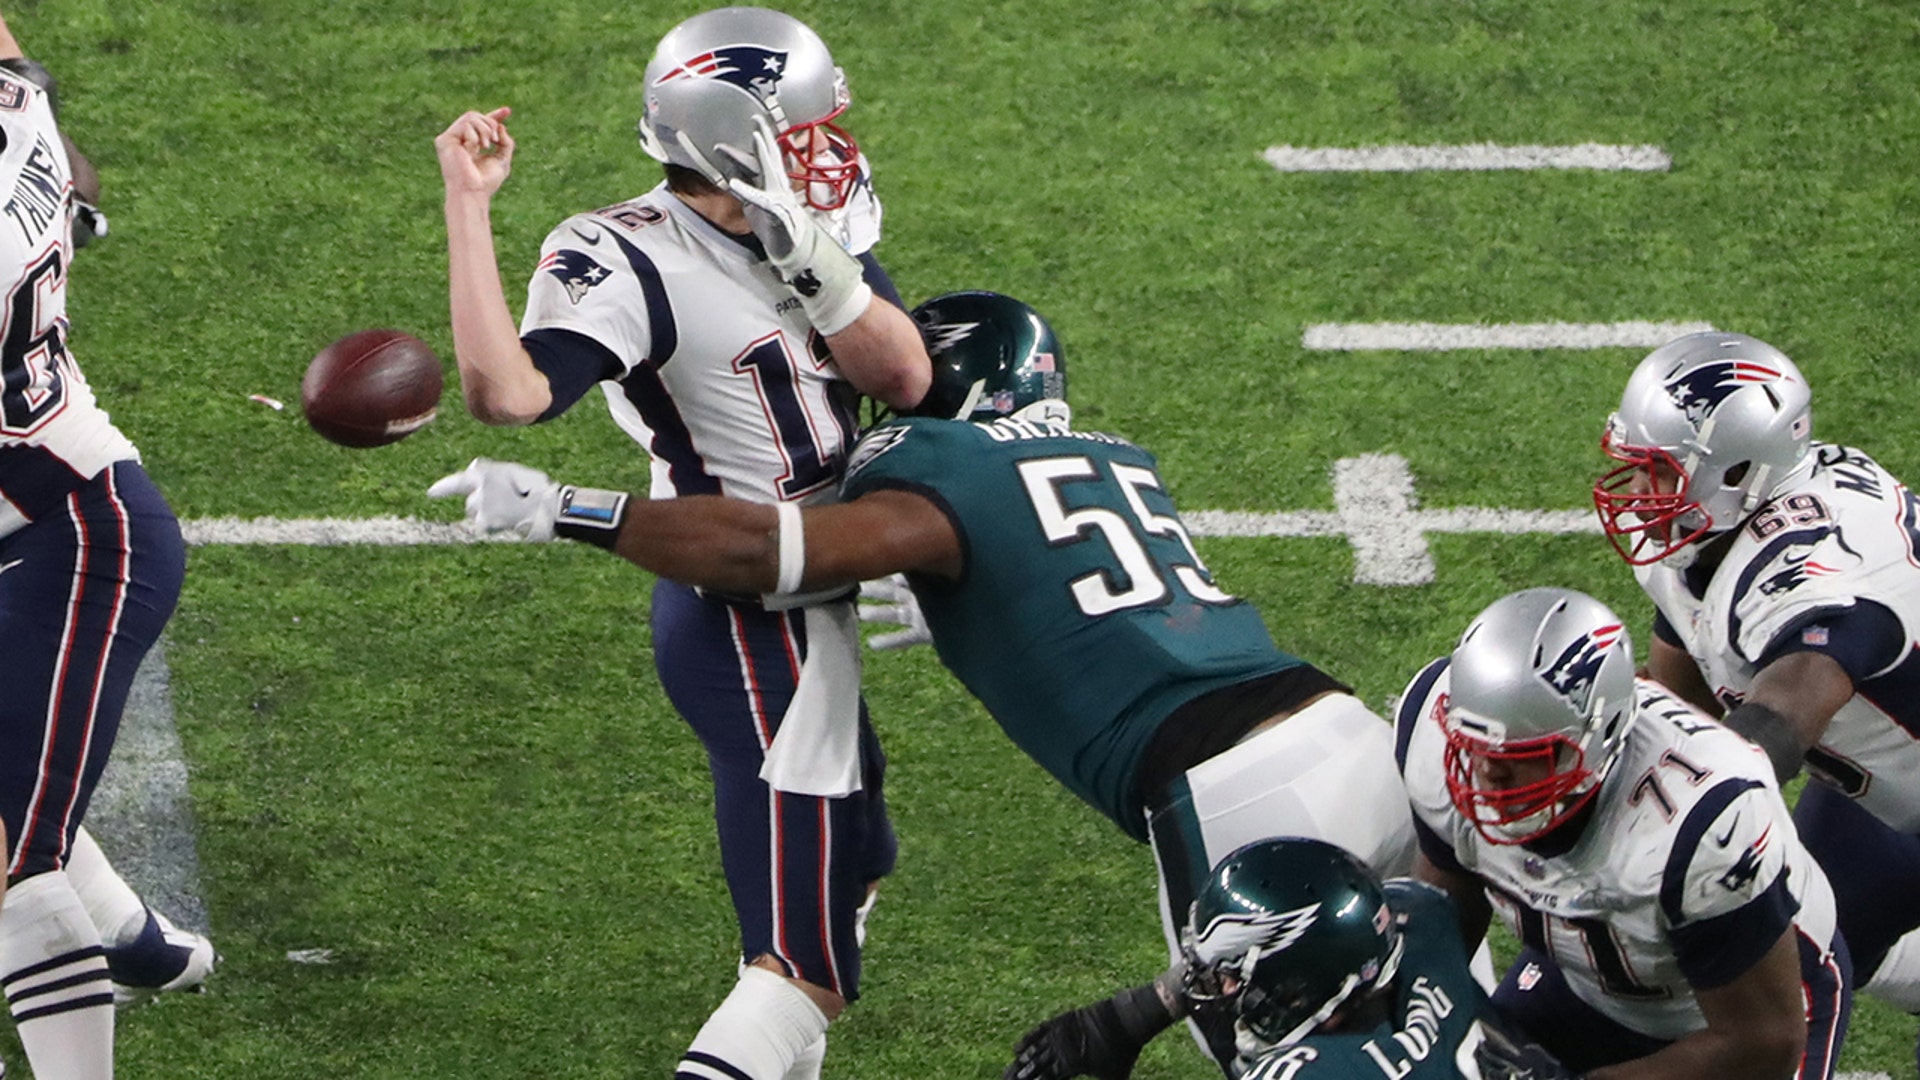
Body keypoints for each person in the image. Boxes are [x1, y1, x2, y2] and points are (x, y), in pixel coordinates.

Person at [429, 289, 1419, 1071]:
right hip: (1348, 731)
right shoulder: (1115, 454)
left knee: (1293, 1056)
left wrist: (570, 509)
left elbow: (769, 552)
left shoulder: (948, 467)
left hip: (1231, 789)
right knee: (1438, 1025)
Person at [434, 8, 931, 1078]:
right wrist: (467, 210)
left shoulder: (807, 224)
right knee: (804, 967)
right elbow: (508, 395)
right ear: (729, 134)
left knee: (854, 880)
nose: (829, 148)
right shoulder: (623, 253)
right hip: (747, 613)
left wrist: (806, 247)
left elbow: (905, 378)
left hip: (816, 594)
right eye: (804, 130)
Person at [0, 14, 216, 1080]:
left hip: (72, 540)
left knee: (12, 865)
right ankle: (139, 945)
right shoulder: (18, 102)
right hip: (44, 496)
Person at [1593, 330, 1920, 1031]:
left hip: (1894, 781)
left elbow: (1775, 721)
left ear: (1740, 470)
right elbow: (1685, 699)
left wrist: (1675, 828)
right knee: (1788, 945)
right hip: (1888, 790)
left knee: (1777, 974)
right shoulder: (1714, 536)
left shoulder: (1812, 566)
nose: (1640, 492)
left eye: (1662, 471)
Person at [1394, 587, 1850, 1079]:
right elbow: (1442, 930)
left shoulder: (1697, 823)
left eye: (1523, 759)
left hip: (1740, 1009)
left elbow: (1762, 1043)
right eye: (1472, 746)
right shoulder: (1434, 738)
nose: (1487, 775)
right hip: (1590, 979)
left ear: (1599, 740)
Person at [1001, 836, 1572, 1080]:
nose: (1219, 993)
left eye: (1234, 977)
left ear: (1306, 985)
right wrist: (1135, 1014)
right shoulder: (1416, 926)